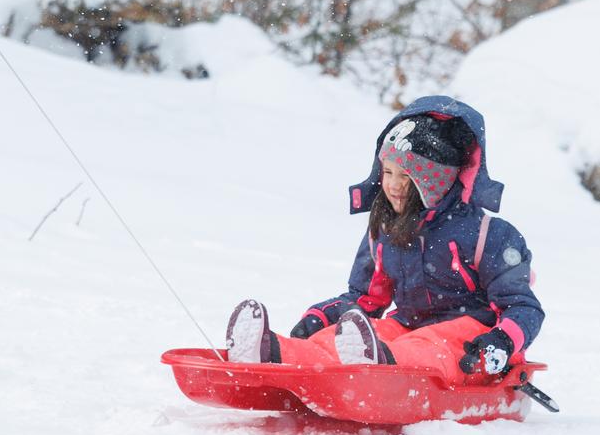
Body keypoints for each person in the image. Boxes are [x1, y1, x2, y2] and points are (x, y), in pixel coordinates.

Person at [224, 97, 544, 380]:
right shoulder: (386, 230)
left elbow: (523, 306)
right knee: (366, 333)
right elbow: (366, 299)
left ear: (435, 180)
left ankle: (380, 367)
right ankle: (277, 355)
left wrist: (501, 340)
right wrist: (323, 317)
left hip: (475, 344)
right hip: (408, 327)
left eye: (406, 176)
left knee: (430, 344)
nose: (392, 185)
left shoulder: (489, 234)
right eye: (387, 172)